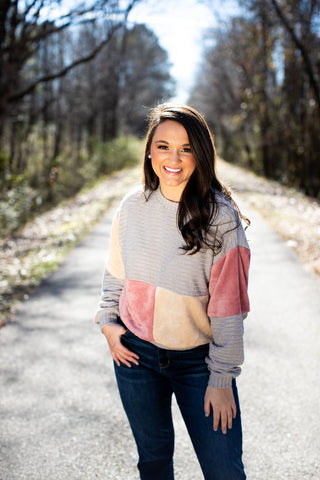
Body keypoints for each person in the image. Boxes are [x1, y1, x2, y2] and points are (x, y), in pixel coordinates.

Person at [95, 103, 250, 480]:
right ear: (149, 150)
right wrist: (107, 322)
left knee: (224, 472)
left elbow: (229, 310)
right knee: (153, 462)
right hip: (136, 356)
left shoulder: (222, 219)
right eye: (163, 146)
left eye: (186, 148)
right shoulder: (132, 207)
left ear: (201, 153)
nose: (174, 159)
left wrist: (221, 378)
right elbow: (117, 274)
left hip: (200, 363)